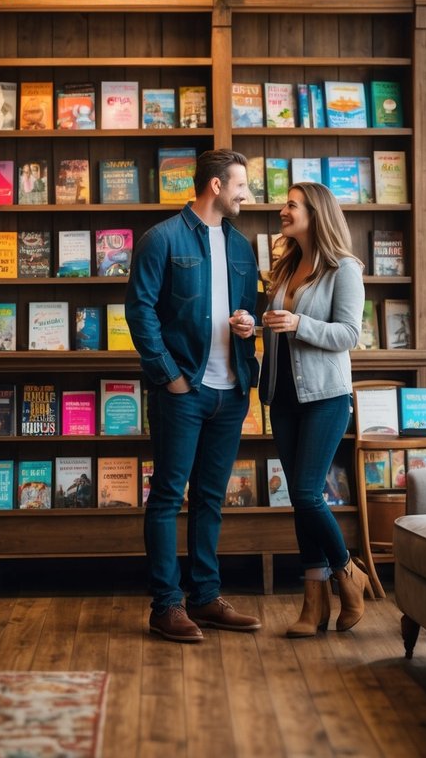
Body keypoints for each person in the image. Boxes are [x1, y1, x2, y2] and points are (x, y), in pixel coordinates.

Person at [125, 149, 262, 643]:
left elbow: (252, 309)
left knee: (210, 499)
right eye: (241, 184)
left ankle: (205, 598)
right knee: (166, 497)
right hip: (183, 391)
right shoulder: (161, 239)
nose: (247, 193)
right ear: (217, 187)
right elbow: (139, 312)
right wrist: (170, 377)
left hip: (232, 393)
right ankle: (166, 606)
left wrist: (249, 323)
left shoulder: (244, 248)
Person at [259, 182, 369, 638]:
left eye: (291, 204)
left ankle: (349, 572)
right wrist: (255, 325)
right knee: (301, 503)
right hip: (282, 398)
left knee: (306, 493)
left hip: (325, 396)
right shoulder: (286, 267)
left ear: (315, 213)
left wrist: (299, 323)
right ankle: (313, 605)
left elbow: (349, 334)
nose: (282, 210)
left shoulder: (345, 268)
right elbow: (278, 330)